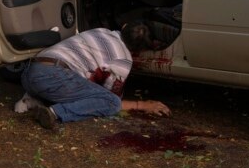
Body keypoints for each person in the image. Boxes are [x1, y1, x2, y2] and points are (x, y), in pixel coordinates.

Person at [20, 23, 171, 129]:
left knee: (75, 83)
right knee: (111, 102)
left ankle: (32, 98)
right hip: (55, 78)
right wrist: (143, 105)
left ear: (124, 26)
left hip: (29, 72)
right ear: (141, 51)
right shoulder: (123, 60)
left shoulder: (102, 31)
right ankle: (55, 113)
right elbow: (111, 99)